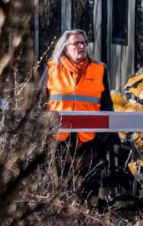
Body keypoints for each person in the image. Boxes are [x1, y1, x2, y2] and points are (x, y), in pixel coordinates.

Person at [44, 29, 116, 201]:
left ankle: (88, 223)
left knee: (89, 189)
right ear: (65, 48)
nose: (82, 46)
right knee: (59, 190)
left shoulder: (98, 70)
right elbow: (40, 104)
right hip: (59, 139)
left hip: (89, 140)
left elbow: (107, 106)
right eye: (76, 44)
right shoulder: (52, 70)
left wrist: (102, 137)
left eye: (84, 43)